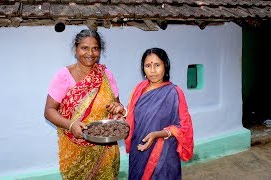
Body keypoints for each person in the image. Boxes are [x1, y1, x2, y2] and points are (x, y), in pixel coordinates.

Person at [44, 29, 124, 180]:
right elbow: (49, 110)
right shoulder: (63, 76)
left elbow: (117, 107)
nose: (90, 53)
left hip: (106, 148)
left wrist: (120, 113)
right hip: (75, 150)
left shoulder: (106, 75)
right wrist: (71, 125)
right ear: (76, 50)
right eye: (84, 48)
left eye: (95, 48)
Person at [109, 47, 194, 180]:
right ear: (143, 69)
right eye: (148, 66)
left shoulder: (174, 93)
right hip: (139, 149)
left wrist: (157, 134)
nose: (153, 70)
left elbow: (184, 128)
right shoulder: (140, 88)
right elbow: (135, 115)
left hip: (163, 153)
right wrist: (123, 112)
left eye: (157, 65)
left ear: (165, 66)